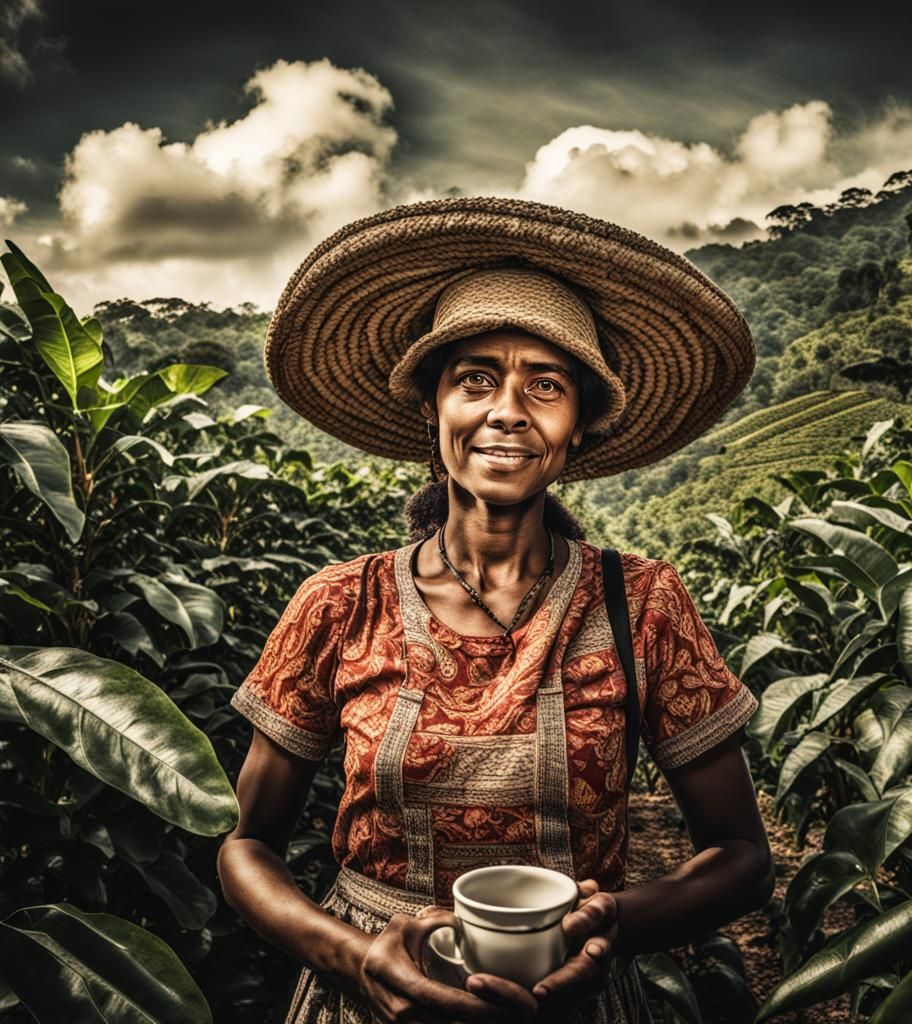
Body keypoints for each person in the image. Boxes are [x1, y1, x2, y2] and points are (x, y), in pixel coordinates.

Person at [216, 196, 775, 1024]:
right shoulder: (340, 604)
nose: (507, 409)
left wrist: (608, 925)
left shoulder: (643, 603)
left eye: (544, 385)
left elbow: (740, 855)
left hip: (574, 998)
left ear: (578, 426)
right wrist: (355, 955)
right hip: (364, 998)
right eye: (476, 378)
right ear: (431, 409)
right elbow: (246, 845)